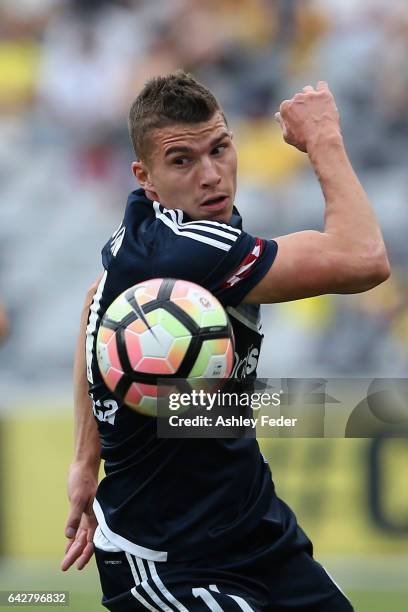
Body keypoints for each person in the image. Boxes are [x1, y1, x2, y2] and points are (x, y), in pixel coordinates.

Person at [61, 71, 389, 611]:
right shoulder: (184, 252)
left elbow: (93, 307)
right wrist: (324, 136)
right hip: (170, 558)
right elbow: (364, 258)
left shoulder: (146, 227)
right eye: (182, 161)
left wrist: (83, 460)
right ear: (146, 175)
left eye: (219, 149)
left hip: (255, 534)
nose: (211, 176)